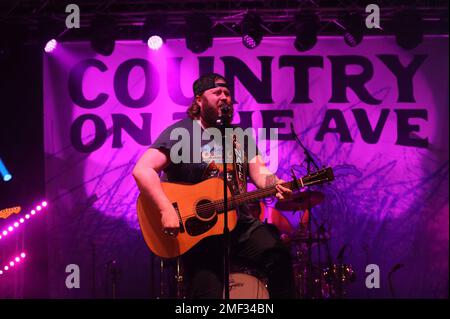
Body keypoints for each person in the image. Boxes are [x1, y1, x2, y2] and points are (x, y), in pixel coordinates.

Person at [132, 73, 295, 298]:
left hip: (239, 225)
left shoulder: (239, 136)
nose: (224, 97)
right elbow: (143, 170)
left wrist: (275, 183)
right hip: (200, 233)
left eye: (227, 93)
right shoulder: (182, 133)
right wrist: (165, 209)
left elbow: (260, 172)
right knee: (206, 296)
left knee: (278, 255)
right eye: (217, 92)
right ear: (199, 100)